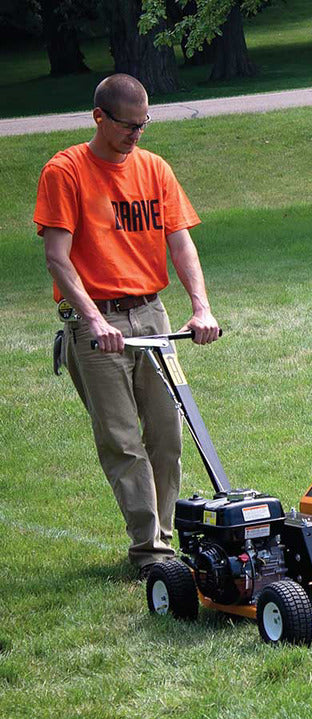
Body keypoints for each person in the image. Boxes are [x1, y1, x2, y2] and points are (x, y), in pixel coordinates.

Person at [34, 73, 220, 579]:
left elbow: (180, 243)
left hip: (152, 314)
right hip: (96, 323)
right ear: (99, 117)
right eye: (128, 125)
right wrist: (94, 318)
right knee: (122, 440)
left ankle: (164, 539)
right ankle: (151, 550)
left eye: (144, 123)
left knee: (167, 433)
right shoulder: (65, 171)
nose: (138, 134)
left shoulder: (155, 169)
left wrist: (201, 308)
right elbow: (57, 258)